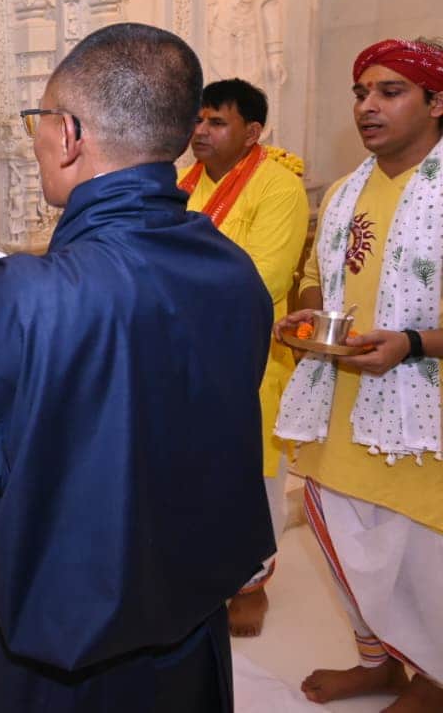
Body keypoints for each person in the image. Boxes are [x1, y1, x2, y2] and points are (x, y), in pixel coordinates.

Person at [0, 23, 275, 710]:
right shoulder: (231, 267)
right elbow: (130, 317)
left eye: (38, 120)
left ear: (69, 135)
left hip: (65, 647)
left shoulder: (31, 297)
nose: (36, 138)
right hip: (188, 618)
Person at [274, 38, 443, 710]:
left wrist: (413, 343)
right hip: (341, 401)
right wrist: (308, 317)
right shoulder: (347, 191)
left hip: (424, 416)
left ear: (437, 102)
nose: (367, 106)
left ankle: (434, 677)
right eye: (360, 92)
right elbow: (317, 278)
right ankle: (379, 663)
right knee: (343, 541)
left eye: (390, 91)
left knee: (422, 557)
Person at [181, 77, 309, 636]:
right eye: (198, 119)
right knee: (192, 470)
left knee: (252, 478)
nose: (201, 131)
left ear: (252, 132)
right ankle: (202, 572)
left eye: (217, 122)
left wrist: (172, 283)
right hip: (182, 354)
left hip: (248, 358)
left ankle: (252, 583)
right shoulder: (180, 184)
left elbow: (264, 277)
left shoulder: (278, 187)